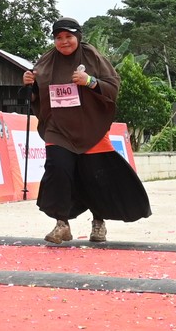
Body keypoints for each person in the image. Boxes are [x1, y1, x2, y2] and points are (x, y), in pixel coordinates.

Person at [21, 18, 150, 244]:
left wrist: (89, 81)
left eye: (68, 36)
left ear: (78, 37)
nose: (64, 41)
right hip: (58, 128)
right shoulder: (46, 61)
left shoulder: (92, 56)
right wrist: (28, 84)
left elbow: (113, 87)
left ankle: (99, 220)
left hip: (91, 127)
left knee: (96, 177)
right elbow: (34, 97)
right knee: (57, 171)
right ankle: (62, 224)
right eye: (58, 37)